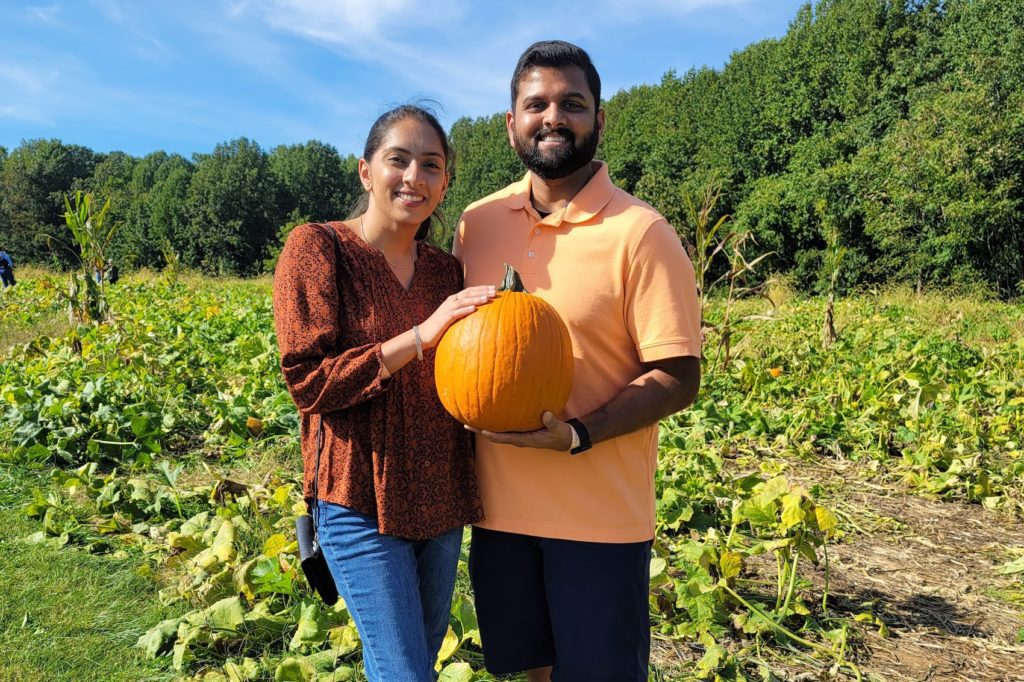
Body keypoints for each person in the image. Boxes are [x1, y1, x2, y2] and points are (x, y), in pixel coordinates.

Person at [454, 41, 702, 681]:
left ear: (599, 118)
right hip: (497, 513)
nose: (553, 117)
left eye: (573, 104)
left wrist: (578, 434)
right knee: (529, 671)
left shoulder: (641, 232)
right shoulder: (477, 225)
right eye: (535, 104)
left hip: (600, 520)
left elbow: (679, 374)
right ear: (510, 123)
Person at [273, 104, 496, 682]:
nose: (414, 178)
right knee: (406, 672)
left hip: (441, 495)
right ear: (366, 171)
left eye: (431, 165)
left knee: (410, 663)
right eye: (398, 160)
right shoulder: (319, 249)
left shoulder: (447, 271)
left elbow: (476, 369)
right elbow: (308, 381)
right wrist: (419, 337)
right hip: (355, 496)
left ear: (445, 183)